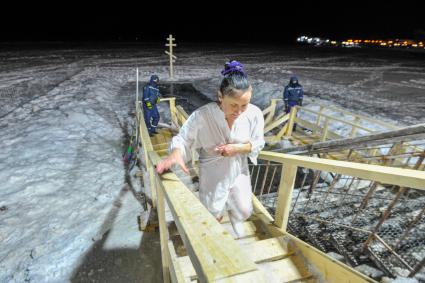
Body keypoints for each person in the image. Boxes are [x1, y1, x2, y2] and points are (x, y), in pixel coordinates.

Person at [156, 60, 265, 238]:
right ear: (220, 96)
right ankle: (214, 230)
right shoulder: (203, 116)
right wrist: (176, 154)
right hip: (212, 169)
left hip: (238, 167)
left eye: (244, 105)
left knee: (245, 209)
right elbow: (183, 138)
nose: (239, 111)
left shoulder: (254, 114)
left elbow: (258, 142)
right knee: (213, 209)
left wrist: (237, 148)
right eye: (233, 105)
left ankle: (236, 218)